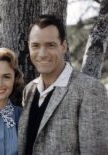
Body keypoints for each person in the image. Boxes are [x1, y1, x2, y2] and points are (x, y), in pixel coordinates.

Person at [18, 15, 108, 155]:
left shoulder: (89, 89)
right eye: (35, 46)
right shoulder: (29, 90)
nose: (42, 54)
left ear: (63, 46)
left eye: (50, 45)